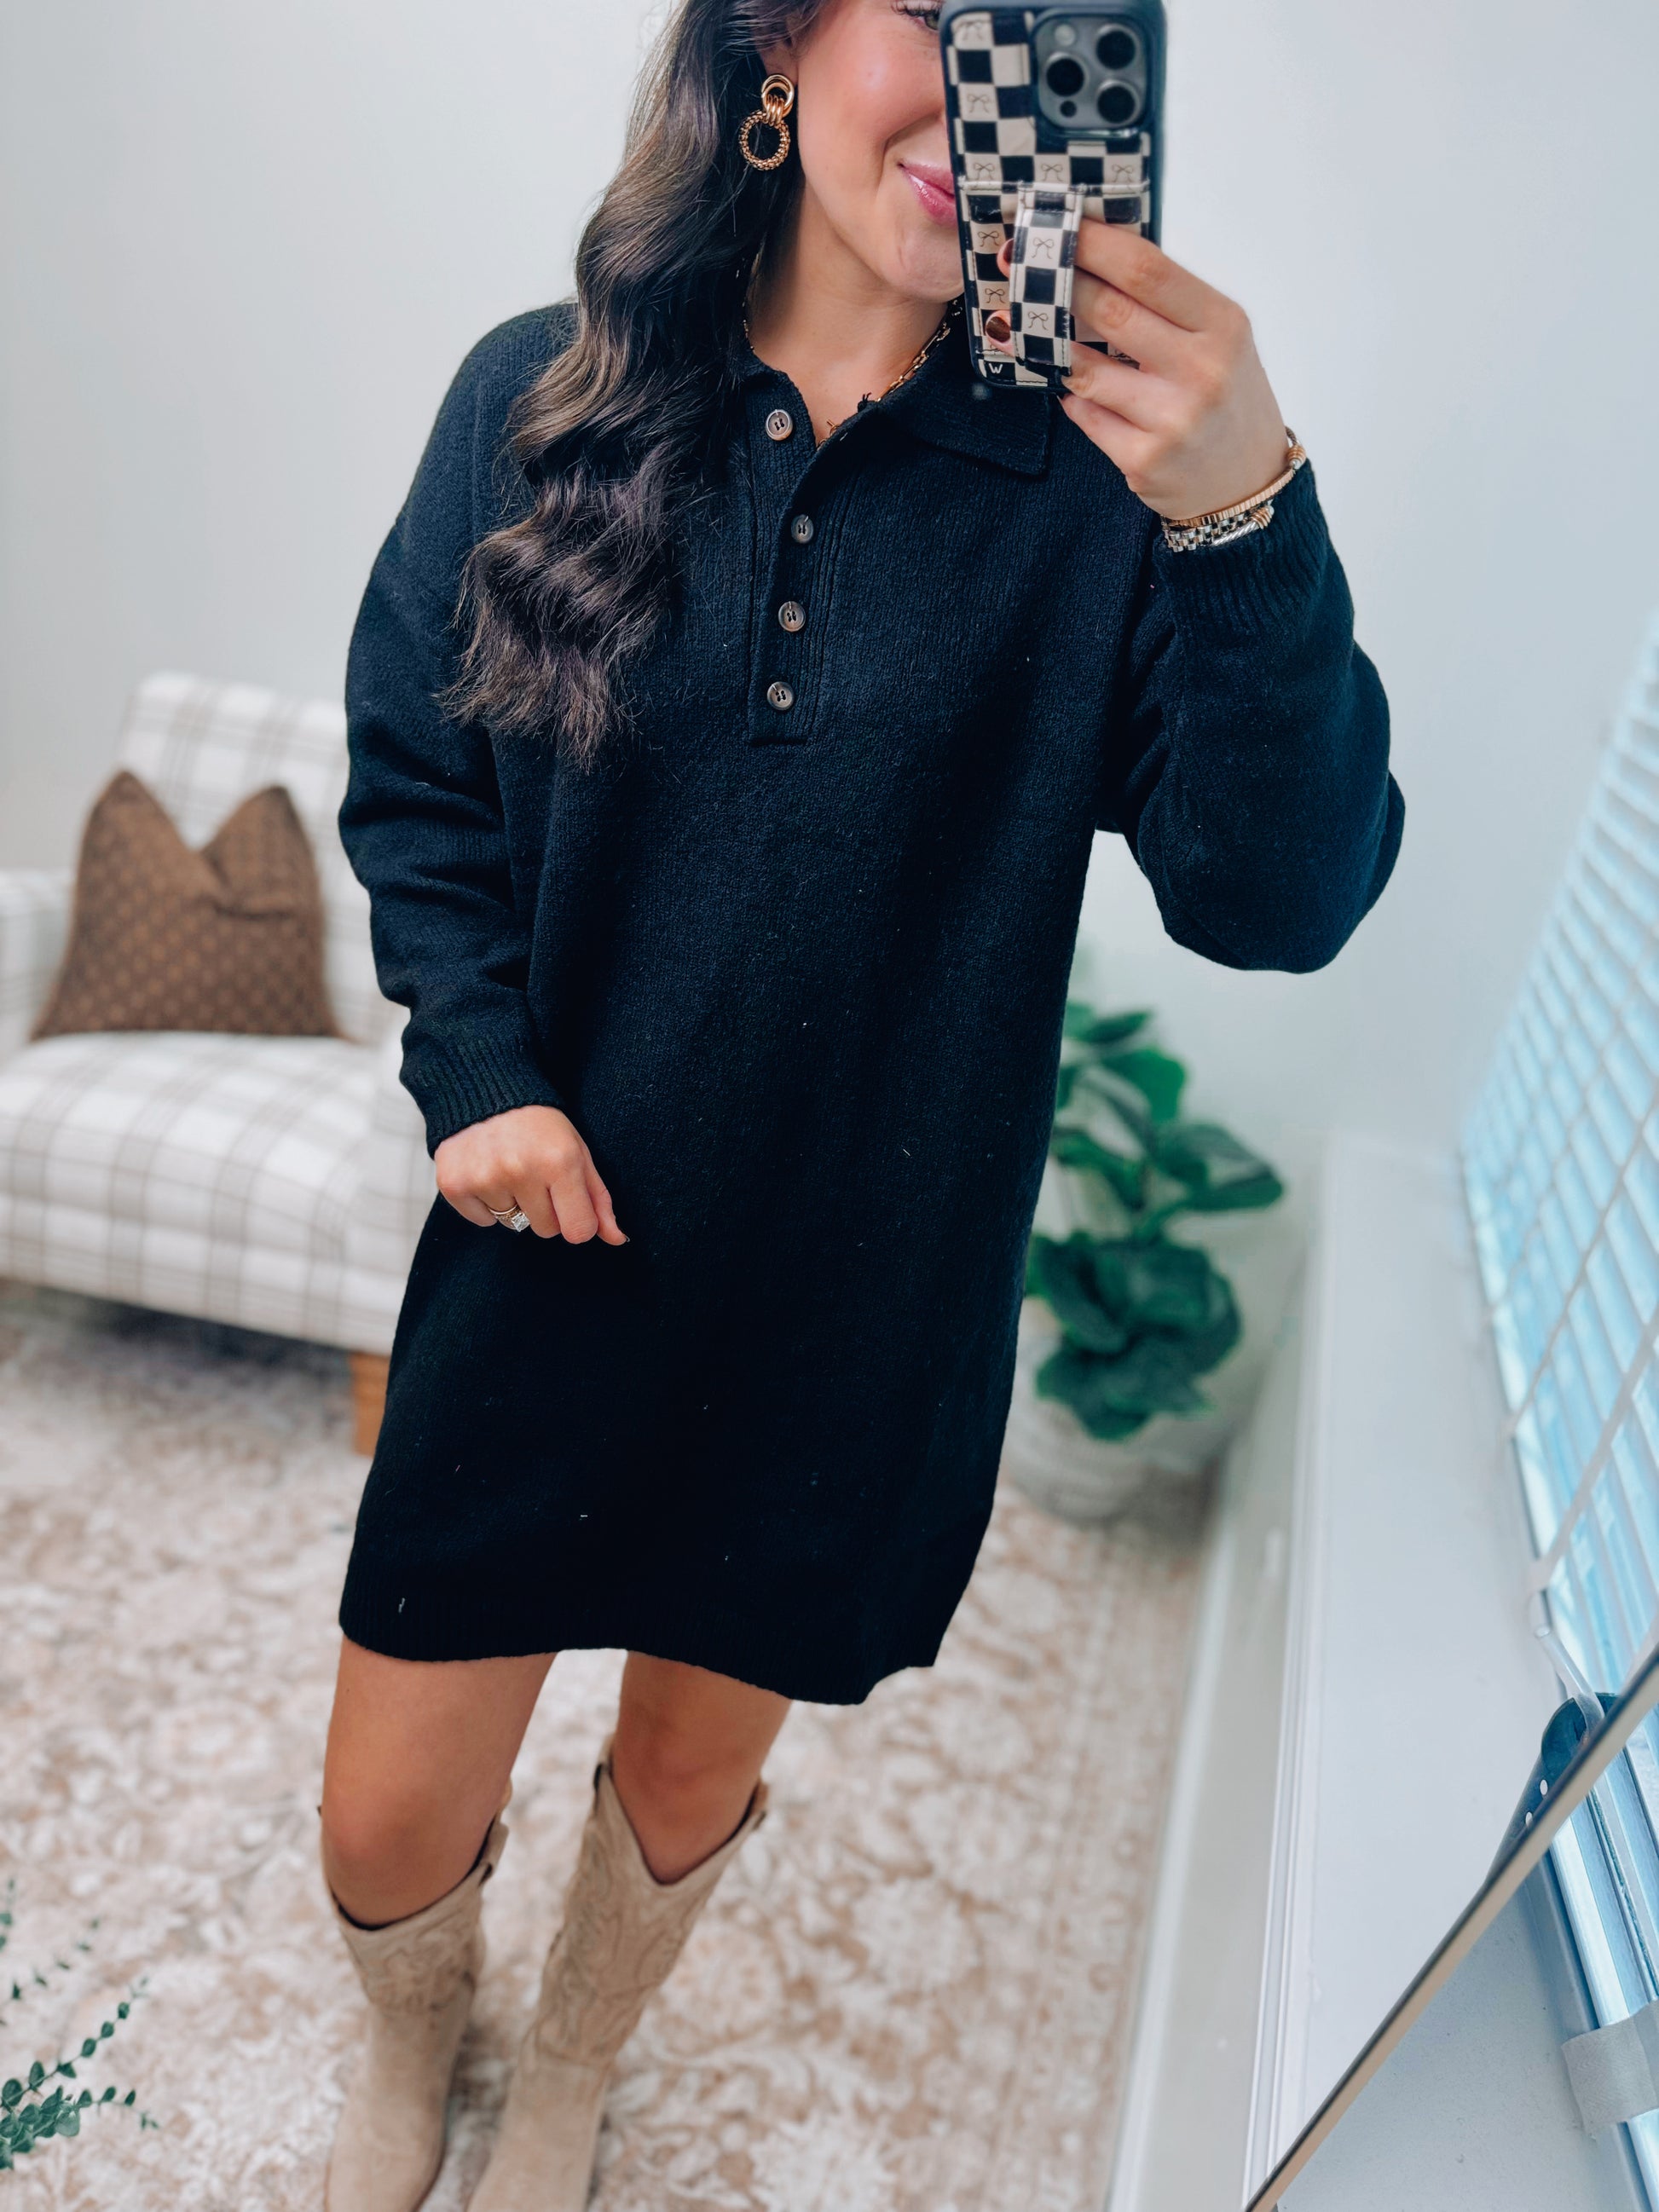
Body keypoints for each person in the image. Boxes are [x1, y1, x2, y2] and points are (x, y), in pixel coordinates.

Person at [318, 2, 1404, 2206]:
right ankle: (415, 2038)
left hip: (849, 1317)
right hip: (547, 1268)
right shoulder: (540, 395)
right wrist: (479, 1069)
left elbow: (1280, 898)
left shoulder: (1099, 503)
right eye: (942, 7)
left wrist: (1245, 514)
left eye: (1064, 24)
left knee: (680, 1782)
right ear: (785, 48)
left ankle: (569, 2071)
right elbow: (416, 774)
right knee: (384, 1815)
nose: (995, 80)